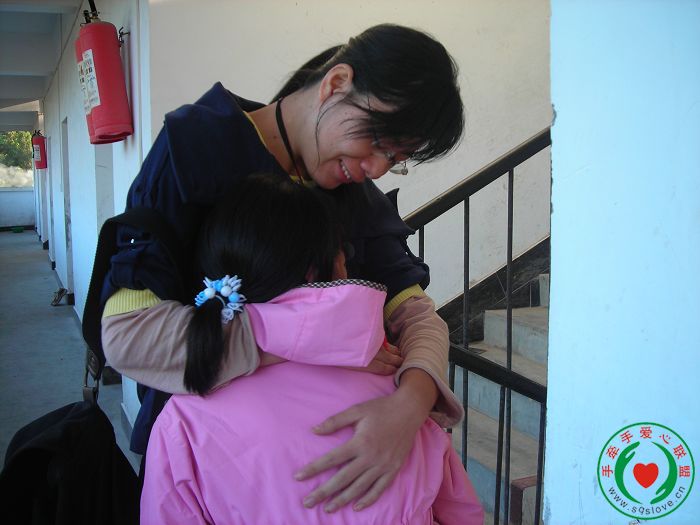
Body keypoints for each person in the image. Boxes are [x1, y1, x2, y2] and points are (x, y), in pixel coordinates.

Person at [101, 23, 465, 511]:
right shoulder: (196, 152)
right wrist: (299, 338)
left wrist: (410, 405)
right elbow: (128, 335)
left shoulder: (356, 198)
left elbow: (418, 316)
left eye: (397, 158)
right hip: (210, 468)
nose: (377, 168)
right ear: (336, 83)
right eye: (379, 140)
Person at [140, 174, 483, 524]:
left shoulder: (183, 422)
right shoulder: (399, 389)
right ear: (318, 269)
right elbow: (461, 513)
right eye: (344, 252)